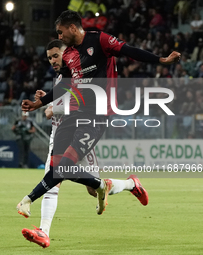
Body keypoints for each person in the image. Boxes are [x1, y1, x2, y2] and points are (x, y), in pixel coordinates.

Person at [17, 10, 180, 218]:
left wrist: (161, 60)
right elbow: (64, 85)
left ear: (73, 28)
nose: (59, 37)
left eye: (60, 32)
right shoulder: (68, 54)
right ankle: (128, 184)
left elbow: (129, 51)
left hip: (96, 116)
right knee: (79, 181)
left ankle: (31, 206)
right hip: (75, 116)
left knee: (63, 169)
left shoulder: (100, 40)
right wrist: (39, 103)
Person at [21, 39, 149, 248]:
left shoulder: (82, 74)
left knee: (91, 188)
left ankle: (131, 184)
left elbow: (85, 105)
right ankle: (43, 232)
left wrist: (55, 108)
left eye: (56, 55)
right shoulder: (63, 77)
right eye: (50, 58)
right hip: (59, 137)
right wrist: (48, 101)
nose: (53, 61)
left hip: (80, 134)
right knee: (54, 179)